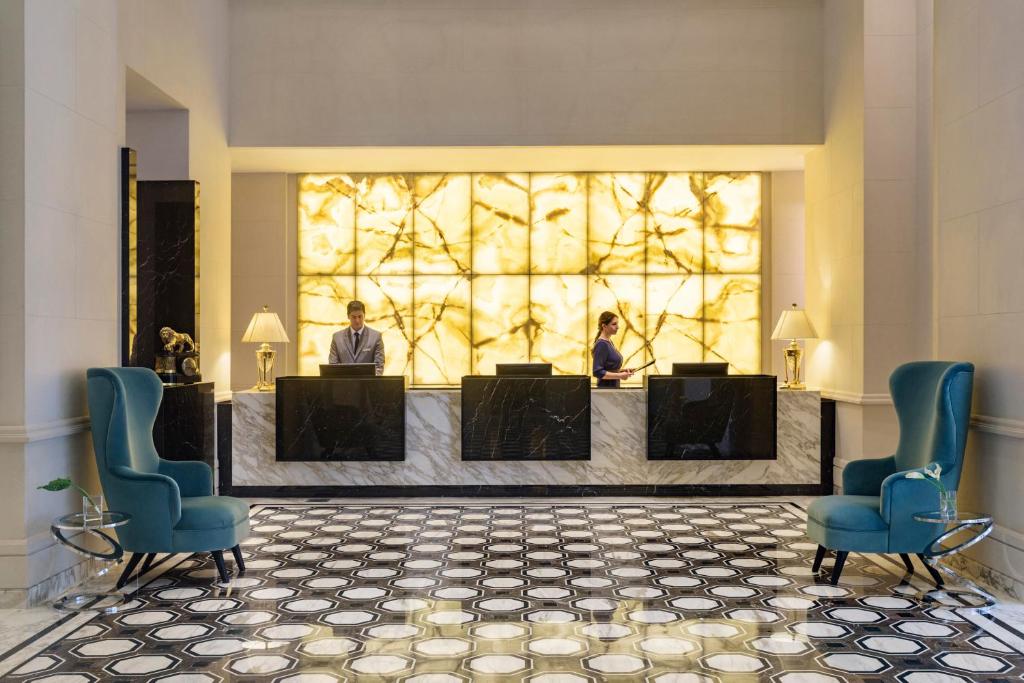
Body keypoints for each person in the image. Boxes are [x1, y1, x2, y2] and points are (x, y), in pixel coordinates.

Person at [328, 300, 385, 375]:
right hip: (344, 385)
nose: (357, 320)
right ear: (348, 316)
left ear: (364, 315)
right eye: (354, 317)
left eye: (360, 316)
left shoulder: (376, 337)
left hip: (368, 385)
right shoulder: (337, 338)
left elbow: (379, 367)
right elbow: (333, 367)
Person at [592, 311, 634, 388]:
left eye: (617, 324)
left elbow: (609, 369)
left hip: (613, 390)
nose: (617, 327)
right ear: (604, 326)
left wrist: (622, 371)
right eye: (614, 324)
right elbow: (597, 372)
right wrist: (619, 376)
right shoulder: (602, 344)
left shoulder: (609, 342)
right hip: (606, 392)